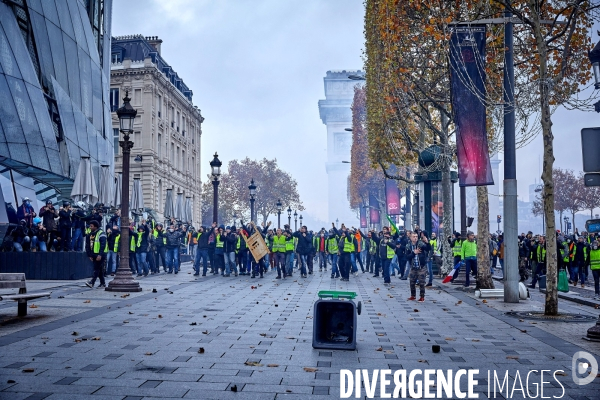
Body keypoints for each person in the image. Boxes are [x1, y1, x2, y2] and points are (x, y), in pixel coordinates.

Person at [405, 231, 431, 302]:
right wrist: (413, 253)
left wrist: (427, 242)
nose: (415, 238)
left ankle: (422, 296)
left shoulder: (420, 244)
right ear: (410, 238)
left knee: (422, 282)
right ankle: (413, 295)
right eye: (414, 237)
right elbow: (407, 257)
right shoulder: (408, 246)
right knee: (412, 282)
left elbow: (428, 248)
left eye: (416, 236)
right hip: (413, 267)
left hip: (421, 266)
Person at [85, 220, 107, 289]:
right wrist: (89, 255)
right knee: (99, 269)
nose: (90, 227)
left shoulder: (101, 233)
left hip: (100, 254)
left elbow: (103, 245)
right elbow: (87, 245)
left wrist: (100, 255)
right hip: (94, 254)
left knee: (96, 268)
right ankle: (102, 283)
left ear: (95, 227)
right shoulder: (90, 234)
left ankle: (92, 282)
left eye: (91, 226)